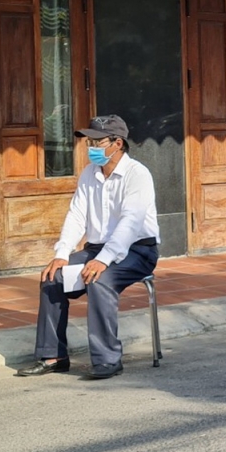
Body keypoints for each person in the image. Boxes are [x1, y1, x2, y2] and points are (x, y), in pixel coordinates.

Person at [17, 115, 160, 380]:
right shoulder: (89, 173)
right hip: (96, 248)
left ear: (118, 143)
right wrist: (61, 254)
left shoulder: (137, 174)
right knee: (53, 277)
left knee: (99, 279)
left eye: (97, 142)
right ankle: (53, 356)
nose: (91, 147)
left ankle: (108, 359)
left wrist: (104, 259)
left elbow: (130, 223)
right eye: (89, 142)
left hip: (137, 250)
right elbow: (76, 215)